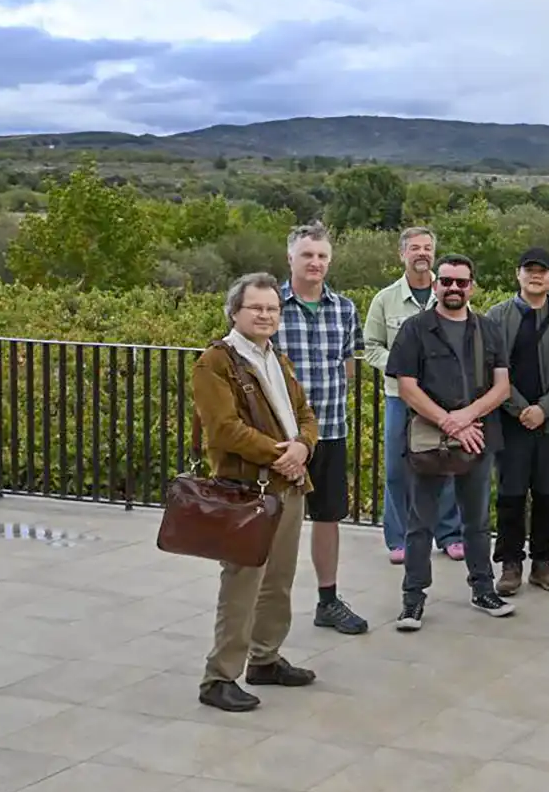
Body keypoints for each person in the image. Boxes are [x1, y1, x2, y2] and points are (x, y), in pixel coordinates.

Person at [193, 273, 320, 712]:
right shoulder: (215, 363)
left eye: (272, 309)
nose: (266, 315)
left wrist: (303, 446)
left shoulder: (276, 358)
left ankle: (264, 658)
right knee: (242, 584)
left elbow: (304, 412)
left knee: (278, 581)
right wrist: (280, 454)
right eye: (256, 308)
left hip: (288, 484)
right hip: (247, 490)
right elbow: (224, 429)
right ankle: (219, 677)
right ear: (235, 312)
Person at [385, 254, 516, 630]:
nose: (453, 288)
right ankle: (412, 600)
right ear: (436, 285)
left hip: (478, 437)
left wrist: (465, 418)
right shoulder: (415, 329)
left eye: (461, 282)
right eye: (446, 281)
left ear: (472, 286)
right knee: (420, 523)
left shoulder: (488, 329)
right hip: (429, 439)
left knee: (476, 521)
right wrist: (450, 423)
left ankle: (483, 589)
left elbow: (502, 387)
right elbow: (407, 387)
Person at [274, 223, 369, 635]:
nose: (315, 262)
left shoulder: (344, 308)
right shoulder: (270, 307)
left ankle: (328, 601)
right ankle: (266, 602)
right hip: (283, 438)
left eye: (322, 256)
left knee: (328, 517)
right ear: (290, 258)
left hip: (330, 430)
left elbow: (347, 367)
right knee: (275, 519)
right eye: (307, 255)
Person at [365, 227, 463, 563]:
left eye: (427, 248)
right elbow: (371, 346)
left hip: (442, 399)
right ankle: (400, 539)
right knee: (397, 468)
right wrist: (400, 368)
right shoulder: (385, 299)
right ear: (402, 254)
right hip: (399, 397)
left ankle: (450, 535)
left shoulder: (450, 292)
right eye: (415, 248)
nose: (422, 253)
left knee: (446, 464)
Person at [482, 248, 549, 596]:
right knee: (511, 495)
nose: (536, 275)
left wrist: (545, 408)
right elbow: (489, 368)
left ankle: (543, 562)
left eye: (542, 270)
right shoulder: (496, 317)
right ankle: (510, 563)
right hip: (510, 422)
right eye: (529, 269)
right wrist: (520, 409)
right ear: (517, 274)